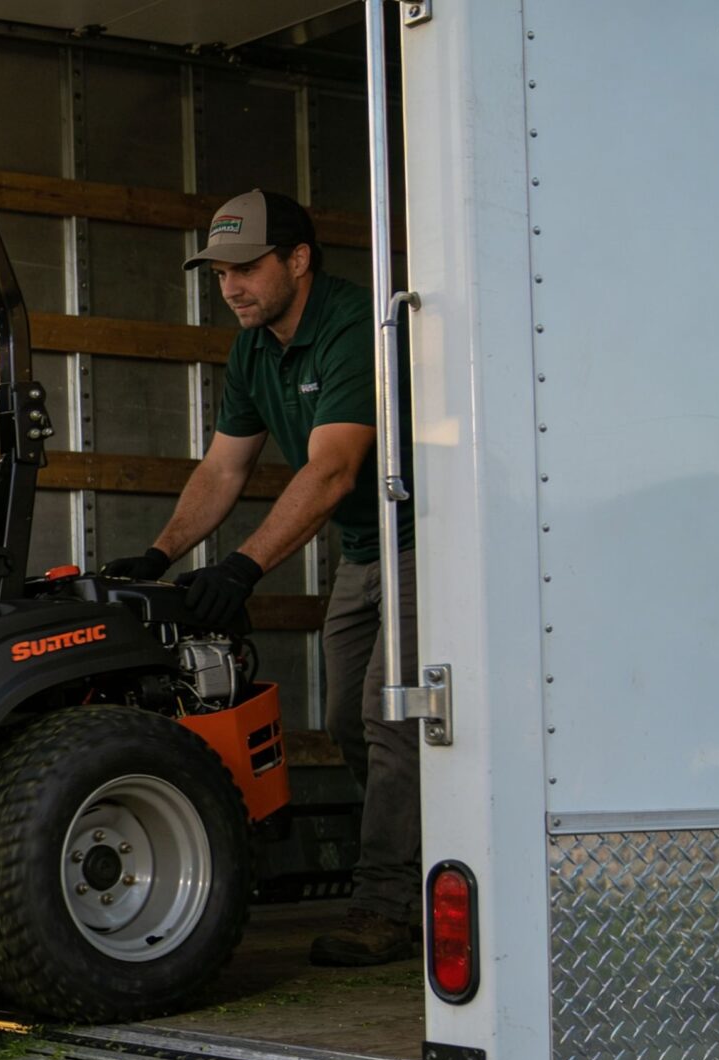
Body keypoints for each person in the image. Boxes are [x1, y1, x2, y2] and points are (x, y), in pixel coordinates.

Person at [97, 189, 418, 968]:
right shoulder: (254, 349)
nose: (231, 286)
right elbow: (223, 467)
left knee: (392, 719)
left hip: (430, 543)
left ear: (298, 260)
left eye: (247, 267)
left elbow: (335, 468)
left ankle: (389, 903)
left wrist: (243, 568)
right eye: (220, 273)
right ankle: (433, 865)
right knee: (347, 717)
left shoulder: (353, 327)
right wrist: (160, 555)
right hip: (365, 552)